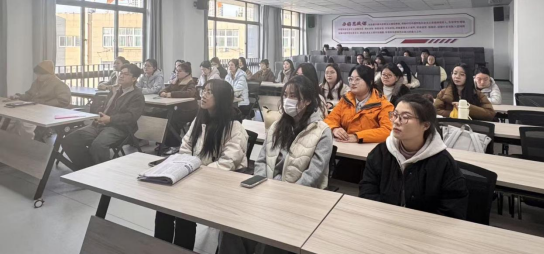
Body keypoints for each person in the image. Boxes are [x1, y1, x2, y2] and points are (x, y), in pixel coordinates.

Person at [218, 76, 333, 254]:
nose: (287, 100)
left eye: (293, 96)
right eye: (285, 95)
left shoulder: (322, 132)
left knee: (271, 240)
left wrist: (284, 196)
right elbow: (261, 160)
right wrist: (264, 187)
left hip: (298, 200)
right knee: (231, 227)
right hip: (268, 192)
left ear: (308, 100)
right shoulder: (277, 126)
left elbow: (312, 175)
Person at [155, 79, 248, 251]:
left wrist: (194, 174)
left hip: (220, 184)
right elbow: (185, 147)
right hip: (195, 177)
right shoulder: (199, 119)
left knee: (184, 211)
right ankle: (160, 249)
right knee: (164, 206)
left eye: (209, 92)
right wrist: (186, 169)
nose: (203, 95)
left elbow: (227, 164)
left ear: (221, 97)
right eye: (203, 90)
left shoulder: (235, 127)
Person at [360, 94, 469, 220]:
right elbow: (367, 192)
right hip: (383, 221)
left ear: (425, 125)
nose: (396, 121)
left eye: (405, 117)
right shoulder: (380, 153)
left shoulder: (443, 163)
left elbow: (452, 210)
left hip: (425, 228)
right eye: (395, 115)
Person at [62, 64, 145, 170]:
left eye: (126, 74)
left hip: (119, 128)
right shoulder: (115, 90)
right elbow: (106, 107)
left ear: (134, 79)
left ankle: (102, 173)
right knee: (69, 140)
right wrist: (98, 114)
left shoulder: (137, 95)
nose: (121, 76)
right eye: (121, 73)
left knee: (98, 145)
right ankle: (88, 169)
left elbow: (131, 117)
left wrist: (110, 119)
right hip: (100, 124)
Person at [324, 65, 394, 144]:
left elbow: (388, 130)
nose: (353, 83)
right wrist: (335, 129)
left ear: (370, 82)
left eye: (357, 79)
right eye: (351, 79)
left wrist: (357, 136)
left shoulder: (384, 105)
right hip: (345, 145)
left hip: (368, 147)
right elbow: (330, 119)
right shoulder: (345, 100)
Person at [7, 60, 72, 140]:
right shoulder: (37, 82)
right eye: (37, 74)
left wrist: (43, 104)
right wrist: (19, 97)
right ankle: (12, 141)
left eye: (40, 75)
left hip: (47, 113)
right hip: (34, 109)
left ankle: (27, 143)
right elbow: (29, 95)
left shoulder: (59, 85)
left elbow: (63, 101)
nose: (38, 77)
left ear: (49, 74)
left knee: (26, 124)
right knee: (11, 120)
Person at [159, 62, 199, 153]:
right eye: (176, 71)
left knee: (172, 120)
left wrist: (171, 94)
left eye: (180, 71)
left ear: (187, 73)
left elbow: (189, 93)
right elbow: (166, 89)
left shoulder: (190, 82)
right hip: (177, 108)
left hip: (188, 110)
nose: (177, 73)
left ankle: (175, 145)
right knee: (162, 117)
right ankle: (164, 143)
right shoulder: (176, 81)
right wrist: (162, 92)